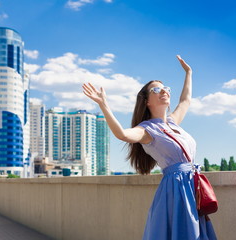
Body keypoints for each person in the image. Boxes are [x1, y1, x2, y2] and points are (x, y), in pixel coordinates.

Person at [82, 55, 217, 240]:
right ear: (147, 101)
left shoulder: (173, 123)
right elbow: (122, 134)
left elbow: (185, 101)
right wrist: (104, 105)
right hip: (175, 189)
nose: (164, 91)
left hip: (192, 186)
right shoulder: (147, 130)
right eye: (157, 89)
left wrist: (189, 73)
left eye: (166, 88)